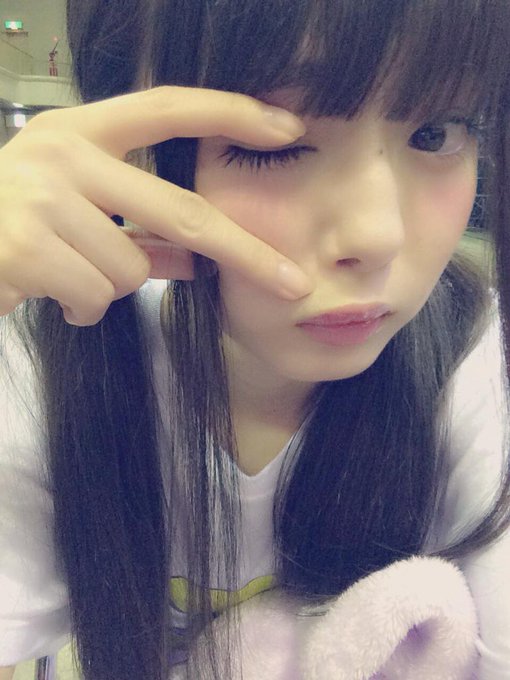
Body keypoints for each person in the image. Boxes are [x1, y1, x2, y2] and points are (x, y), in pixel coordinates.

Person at [0, 0, 509, 678]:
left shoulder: (478, 367)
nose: (378, 236)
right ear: (130, 151)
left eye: (436, 132)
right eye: (271, 145)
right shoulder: (47, 362)